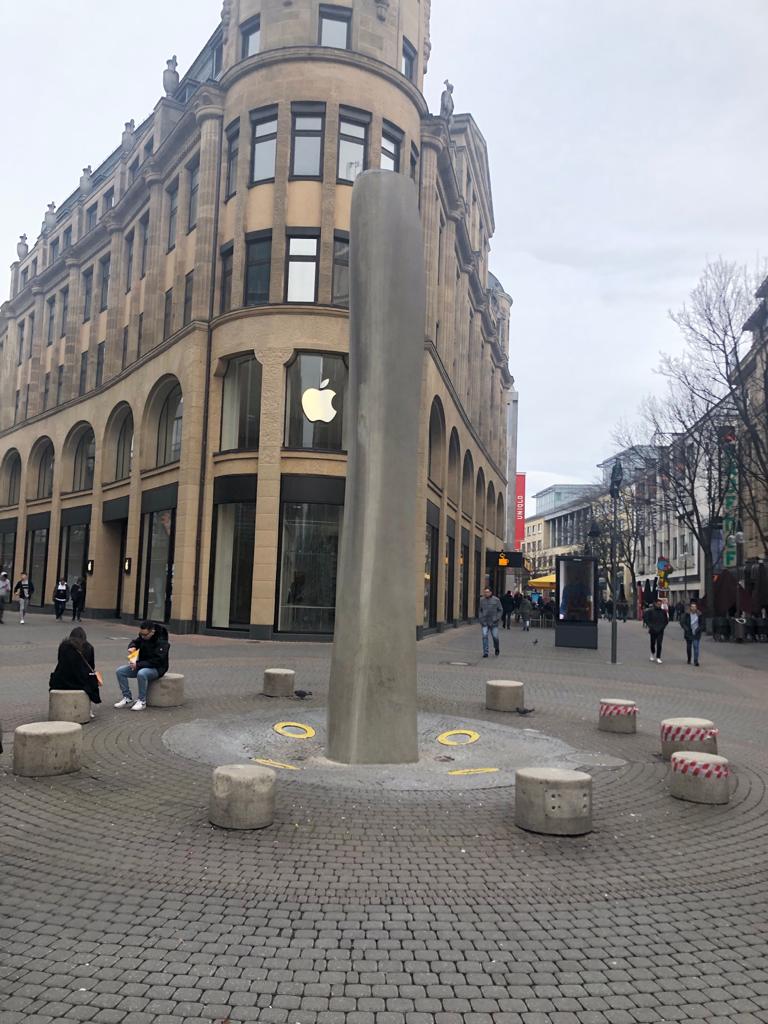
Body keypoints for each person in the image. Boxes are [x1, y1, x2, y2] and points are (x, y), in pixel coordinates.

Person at [114, 620, 170, 711]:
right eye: (141, 634)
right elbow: (136, 641)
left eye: (145, 635)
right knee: (120, 671)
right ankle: (127, 698)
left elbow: (158, 660)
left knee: (141, 673)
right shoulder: (143, 635)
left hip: (158, 668)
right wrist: (132, 647)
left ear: (152, 632)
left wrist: (138, 665)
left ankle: (142, 701)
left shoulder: (162, 641)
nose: (142, 637)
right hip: (142, 664)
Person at [49, 626, 101, 716]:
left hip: (62, 681)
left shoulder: (63, 646)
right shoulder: (89, 647)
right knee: (92, 678)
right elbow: (91, 666)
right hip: (81, 682)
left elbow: (60, 661)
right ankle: (88, 708)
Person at [478, 587, 502, 658]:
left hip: (494, 622)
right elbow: (480, 610)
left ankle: (496, 648)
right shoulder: (481, 600)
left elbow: (500, 610)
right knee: (484, 636)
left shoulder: (496, 600)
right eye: (485, 592)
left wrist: (496, 618)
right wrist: (481, 619)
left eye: (487, 592)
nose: (486, 593)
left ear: (491, 592)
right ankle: (485, 652)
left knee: (495, 637)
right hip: (484, 622)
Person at [680, 599, 704, 666]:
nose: (693, 608)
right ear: (690, 607)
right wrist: (686, 629)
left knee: (696, 647)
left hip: (696, 633)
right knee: (689, 647)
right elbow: (682, 622)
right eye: (692, 607)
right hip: (689, 633)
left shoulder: (699, 614)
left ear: (696, 607)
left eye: (694, 607)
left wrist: (698, 629)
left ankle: (696, 661)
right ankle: (689, 659)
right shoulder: (687, 614)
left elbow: (702, 624)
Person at [646, 598, 669, 664]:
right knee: (652, 643)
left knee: (659, 644)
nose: (659, 605)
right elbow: (647, 619)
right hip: (653, 630)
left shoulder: (663, 612)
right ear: (655, 604)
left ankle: (658, 657)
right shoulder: (651, 611)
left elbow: (666, 621)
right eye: (658, 604)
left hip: (660, 630)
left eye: (660, 604)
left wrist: (663, 627)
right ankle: (652, 653)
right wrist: (650, 626)